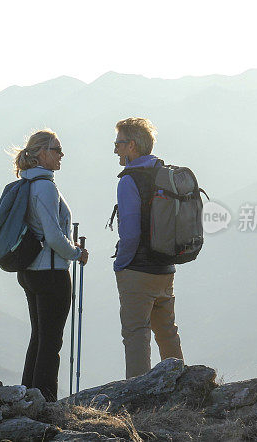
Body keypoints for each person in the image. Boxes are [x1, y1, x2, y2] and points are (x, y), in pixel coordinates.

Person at [12, 129, 89, 401]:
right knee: (51, 342)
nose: (61, 155)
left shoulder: (27, 183)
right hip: (51, 274)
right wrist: (75, 253)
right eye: (57, 149)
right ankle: (44, 402)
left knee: (39, 338)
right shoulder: (44, 186)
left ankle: (27, 398)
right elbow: (54, 235)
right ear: (42, 153)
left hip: (30, 271)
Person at [112, 117, 183, 379]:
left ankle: (138, 398)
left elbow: (130, 233)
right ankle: (180, 387)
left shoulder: (129, 180)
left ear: (132, 145)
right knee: (167, 332)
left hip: (138, 270)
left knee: (136, 334)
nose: (115, 150)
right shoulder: (165, 174)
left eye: (118, 143)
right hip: (166, 267)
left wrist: (121, 263)